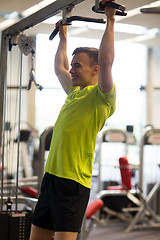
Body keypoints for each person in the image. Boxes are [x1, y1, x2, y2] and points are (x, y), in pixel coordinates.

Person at [30, 0, 116, 239]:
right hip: (51, 178)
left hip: (73, 183)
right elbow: (60, 67)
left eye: (78, 66)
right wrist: (63, 38)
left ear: (95, 70)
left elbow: (108, 61)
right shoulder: (74, 93)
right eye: (73, 66)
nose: (72, 70)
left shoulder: (102, 98)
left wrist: (110, 19)